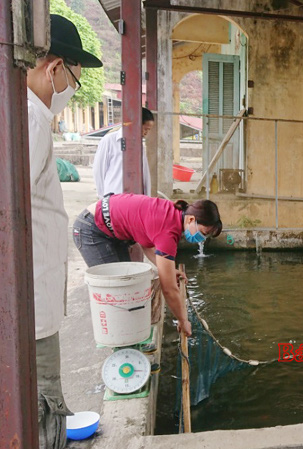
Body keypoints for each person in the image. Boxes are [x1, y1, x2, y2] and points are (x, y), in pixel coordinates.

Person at [26, 14, 102, 449]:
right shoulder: (32, 120)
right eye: (74, 78)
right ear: (55, 68)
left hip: (35, 301)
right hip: (30, 306)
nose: (72, 91)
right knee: (44, 406)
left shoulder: (29, 117)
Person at [72, 194, 222, 336]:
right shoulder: (168, 231)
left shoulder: (172, 212)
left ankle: (127, 337)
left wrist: (169, 270)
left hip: (111, 228)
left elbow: (147, 243)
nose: (202, 238)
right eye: (203, 232)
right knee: (116, 293)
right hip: (91, 228)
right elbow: (169, 289)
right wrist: (183, 321)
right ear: (190, 219)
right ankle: (118, 344)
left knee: (126, 287)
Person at [93, 107, 155, 198]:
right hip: (113, 196)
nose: (146, 133)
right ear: (136, 125)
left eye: (149, 130)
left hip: (135, 198)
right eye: (145, 129)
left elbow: (145, 174)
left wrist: (147, 197)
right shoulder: (109, 141)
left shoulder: (139, 145)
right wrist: (102, 197)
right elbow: (99, 171)